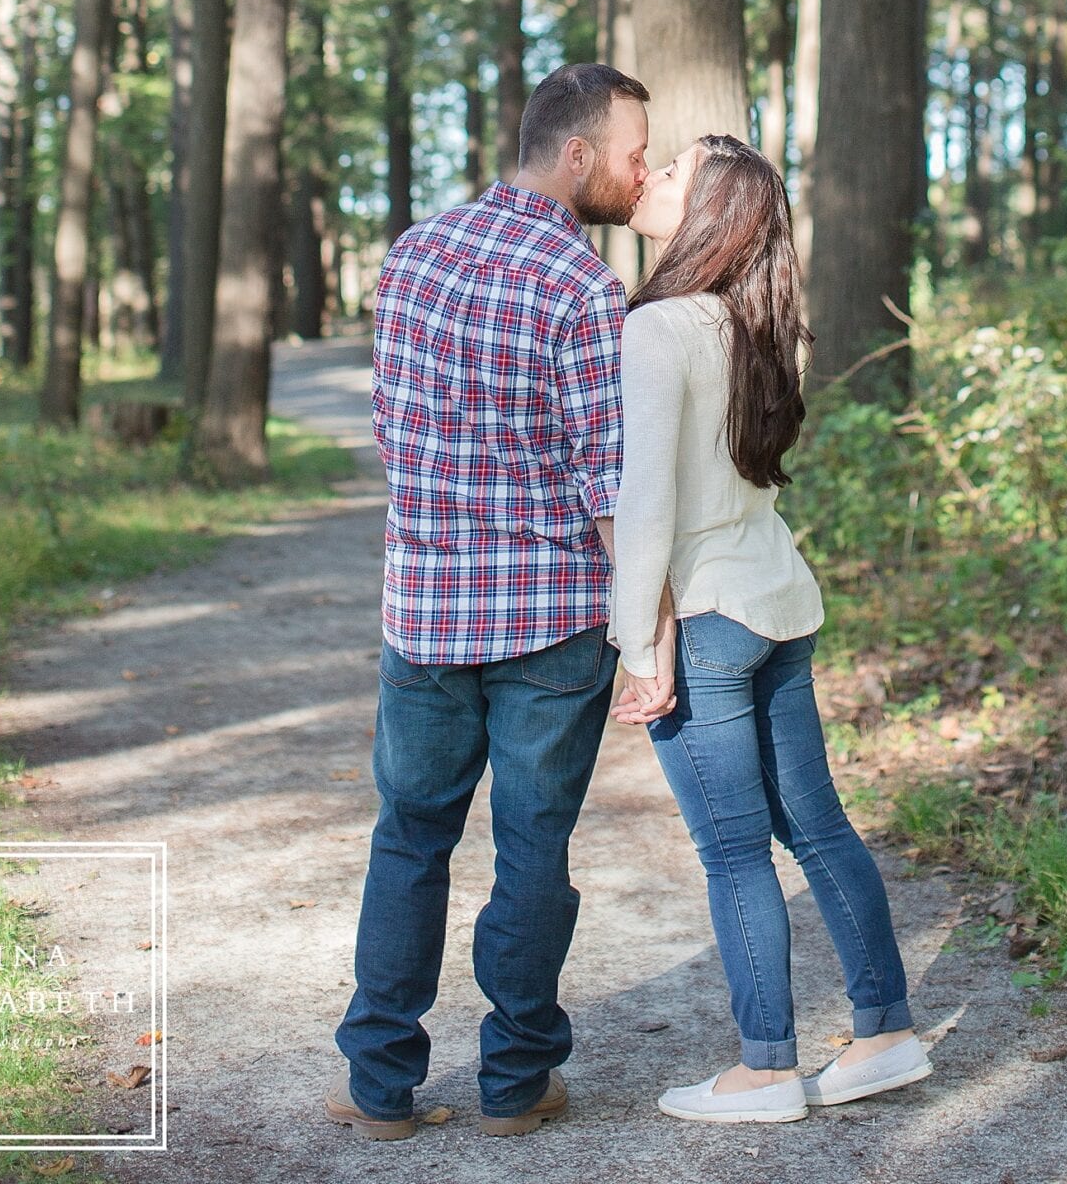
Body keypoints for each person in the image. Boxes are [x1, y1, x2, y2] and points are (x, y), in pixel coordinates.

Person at [326, 62, 664, 1142]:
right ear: (576, 157)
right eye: (630, 152)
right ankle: (514, 1083)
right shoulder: (579, 287)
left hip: (425, 611)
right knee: (531, 851)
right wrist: (646, 629)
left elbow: (391, 432)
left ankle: (381, 1084)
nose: (638, 170)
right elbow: (604, 481)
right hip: (551, 622)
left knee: (410, 838)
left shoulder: (413, 254)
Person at [611, 135, 932, 1126]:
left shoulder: (660, 326)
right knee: (817, 825)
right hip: (777, 603)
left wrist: (637, 644)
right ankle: (885, 1033)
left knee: (735, 850)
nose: (651, 177)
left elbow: (649, 506)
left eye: (672, 171)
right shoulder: (751, 320)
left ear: (707, 211)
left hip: (705, 618)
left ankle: (764, 1070)